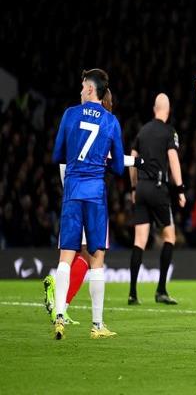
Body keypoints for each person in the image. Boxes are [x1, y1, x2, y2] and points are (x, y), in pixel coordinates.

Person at [44, 89, 144, 323]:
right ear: (106, 102)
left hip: (71, 189)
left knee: (79, 255)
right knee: (93, 257)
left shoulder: (73, 118)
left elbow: (62, 155)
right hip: (90, 193)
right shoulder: (105, 124)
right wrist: (137, 161)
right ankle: (75, 312)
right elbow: (110, 160)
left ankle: (61, 307)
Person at [52, 69, 124, 340]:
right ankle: (97, 325)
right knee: (97, 258)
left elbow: (57, 155)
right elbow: (119, 167)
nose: (81, 91)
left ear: (91, 89)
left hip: (72, 190)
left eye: (83, 86)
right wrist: (100, 162)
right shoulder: (111, 121)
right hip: (95, 193)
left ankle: (59, 316)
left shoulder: (70, 114)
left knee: (66, 256)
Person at [128, 93, 186, 305]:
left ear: (154, 109)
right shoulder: (169, 131)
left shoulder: (142, 131)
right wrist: (180, 189)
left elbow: (132, 159)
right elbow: (173, 160)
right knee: (169, 237)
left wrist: (134, 187)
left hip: (142, 188)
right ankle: (161, 290)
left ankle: (132, 293)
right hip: (159, 188)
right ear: (167, 110)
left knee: (139, 241)